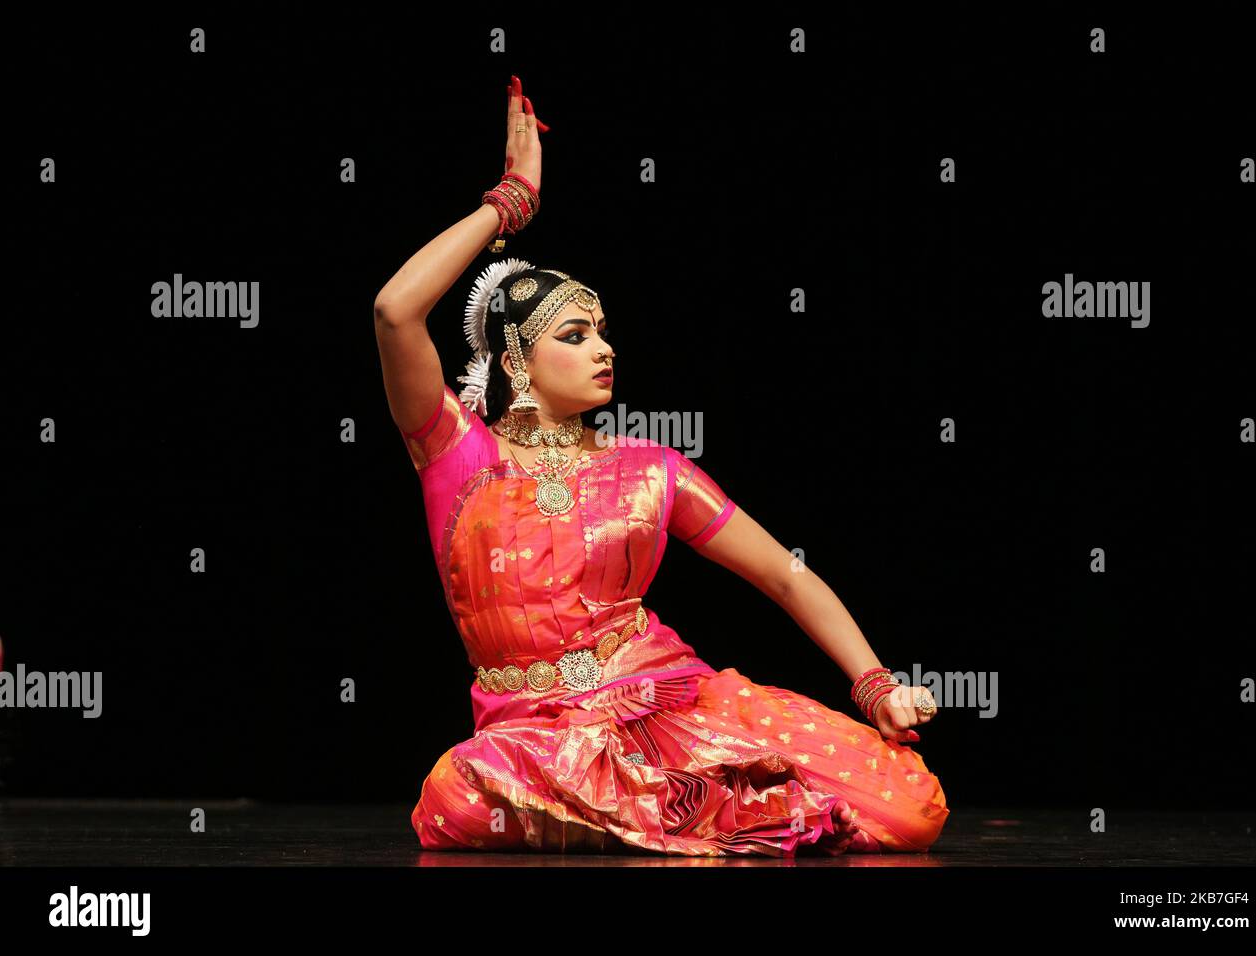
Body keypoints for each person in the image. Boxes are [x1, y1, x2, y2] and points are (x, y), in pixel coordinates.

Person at [373, 75, 949, 856]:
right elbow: (395, 309)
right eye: (574, 335)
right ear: (515, 355)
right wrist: (510, 201)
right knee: (459, 798)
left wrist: (875, 683)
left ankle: (670, 812)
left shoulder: (651, 469)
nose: (605, 348)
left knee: (907, 808)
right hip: (532, 741)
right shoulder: (453, 452)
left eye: (604, 332)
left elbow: (786, 574)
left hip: (668, 709)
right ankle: (661, 816)